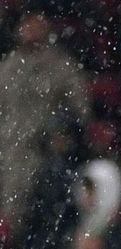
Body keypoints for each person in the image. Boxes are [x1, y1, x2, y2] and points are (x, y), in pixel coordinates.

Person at [0, 10, 88, 224]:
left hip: (41, 154)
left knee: (30, 215)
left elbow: (79, 110)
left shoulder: (62, 67)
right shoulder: (6, 68)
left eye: (34, 21)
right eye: (24, 23)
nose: (28, 28)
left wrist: (56, 134)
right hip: (6, 150)